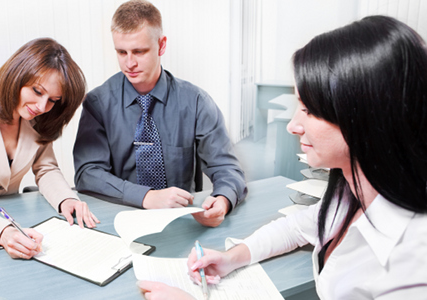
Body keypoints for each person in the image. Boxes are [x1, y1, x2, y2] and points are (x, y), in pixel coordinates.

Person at [138, 15, 427, 299]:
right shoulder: (353, 193)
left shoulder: (413, 266)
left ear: (365, 116)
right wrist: (232, 257)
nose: (292, 125)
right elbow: (296, 227)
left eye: (309, 110)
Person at [73, 0, 247, 227]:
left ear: (161, 45)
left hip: (181, 221)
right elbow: (88, 173)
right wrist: (146, 197)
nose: (129, 63)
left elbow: (226, 167)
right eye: (121, 52)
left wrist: (223, 199)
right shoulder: (98, 103)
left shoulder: (195, 102)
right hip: (121, 218)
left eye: (139, 51)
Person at [0, 38, 100, 259]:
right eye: (37, 91)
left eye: (53, 100)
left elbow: (46, 169)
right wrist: (3, 231)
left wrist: (66, 199)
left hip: (5, 218)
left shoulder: (38, 120)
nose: (42, 107)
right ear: (17, 76)